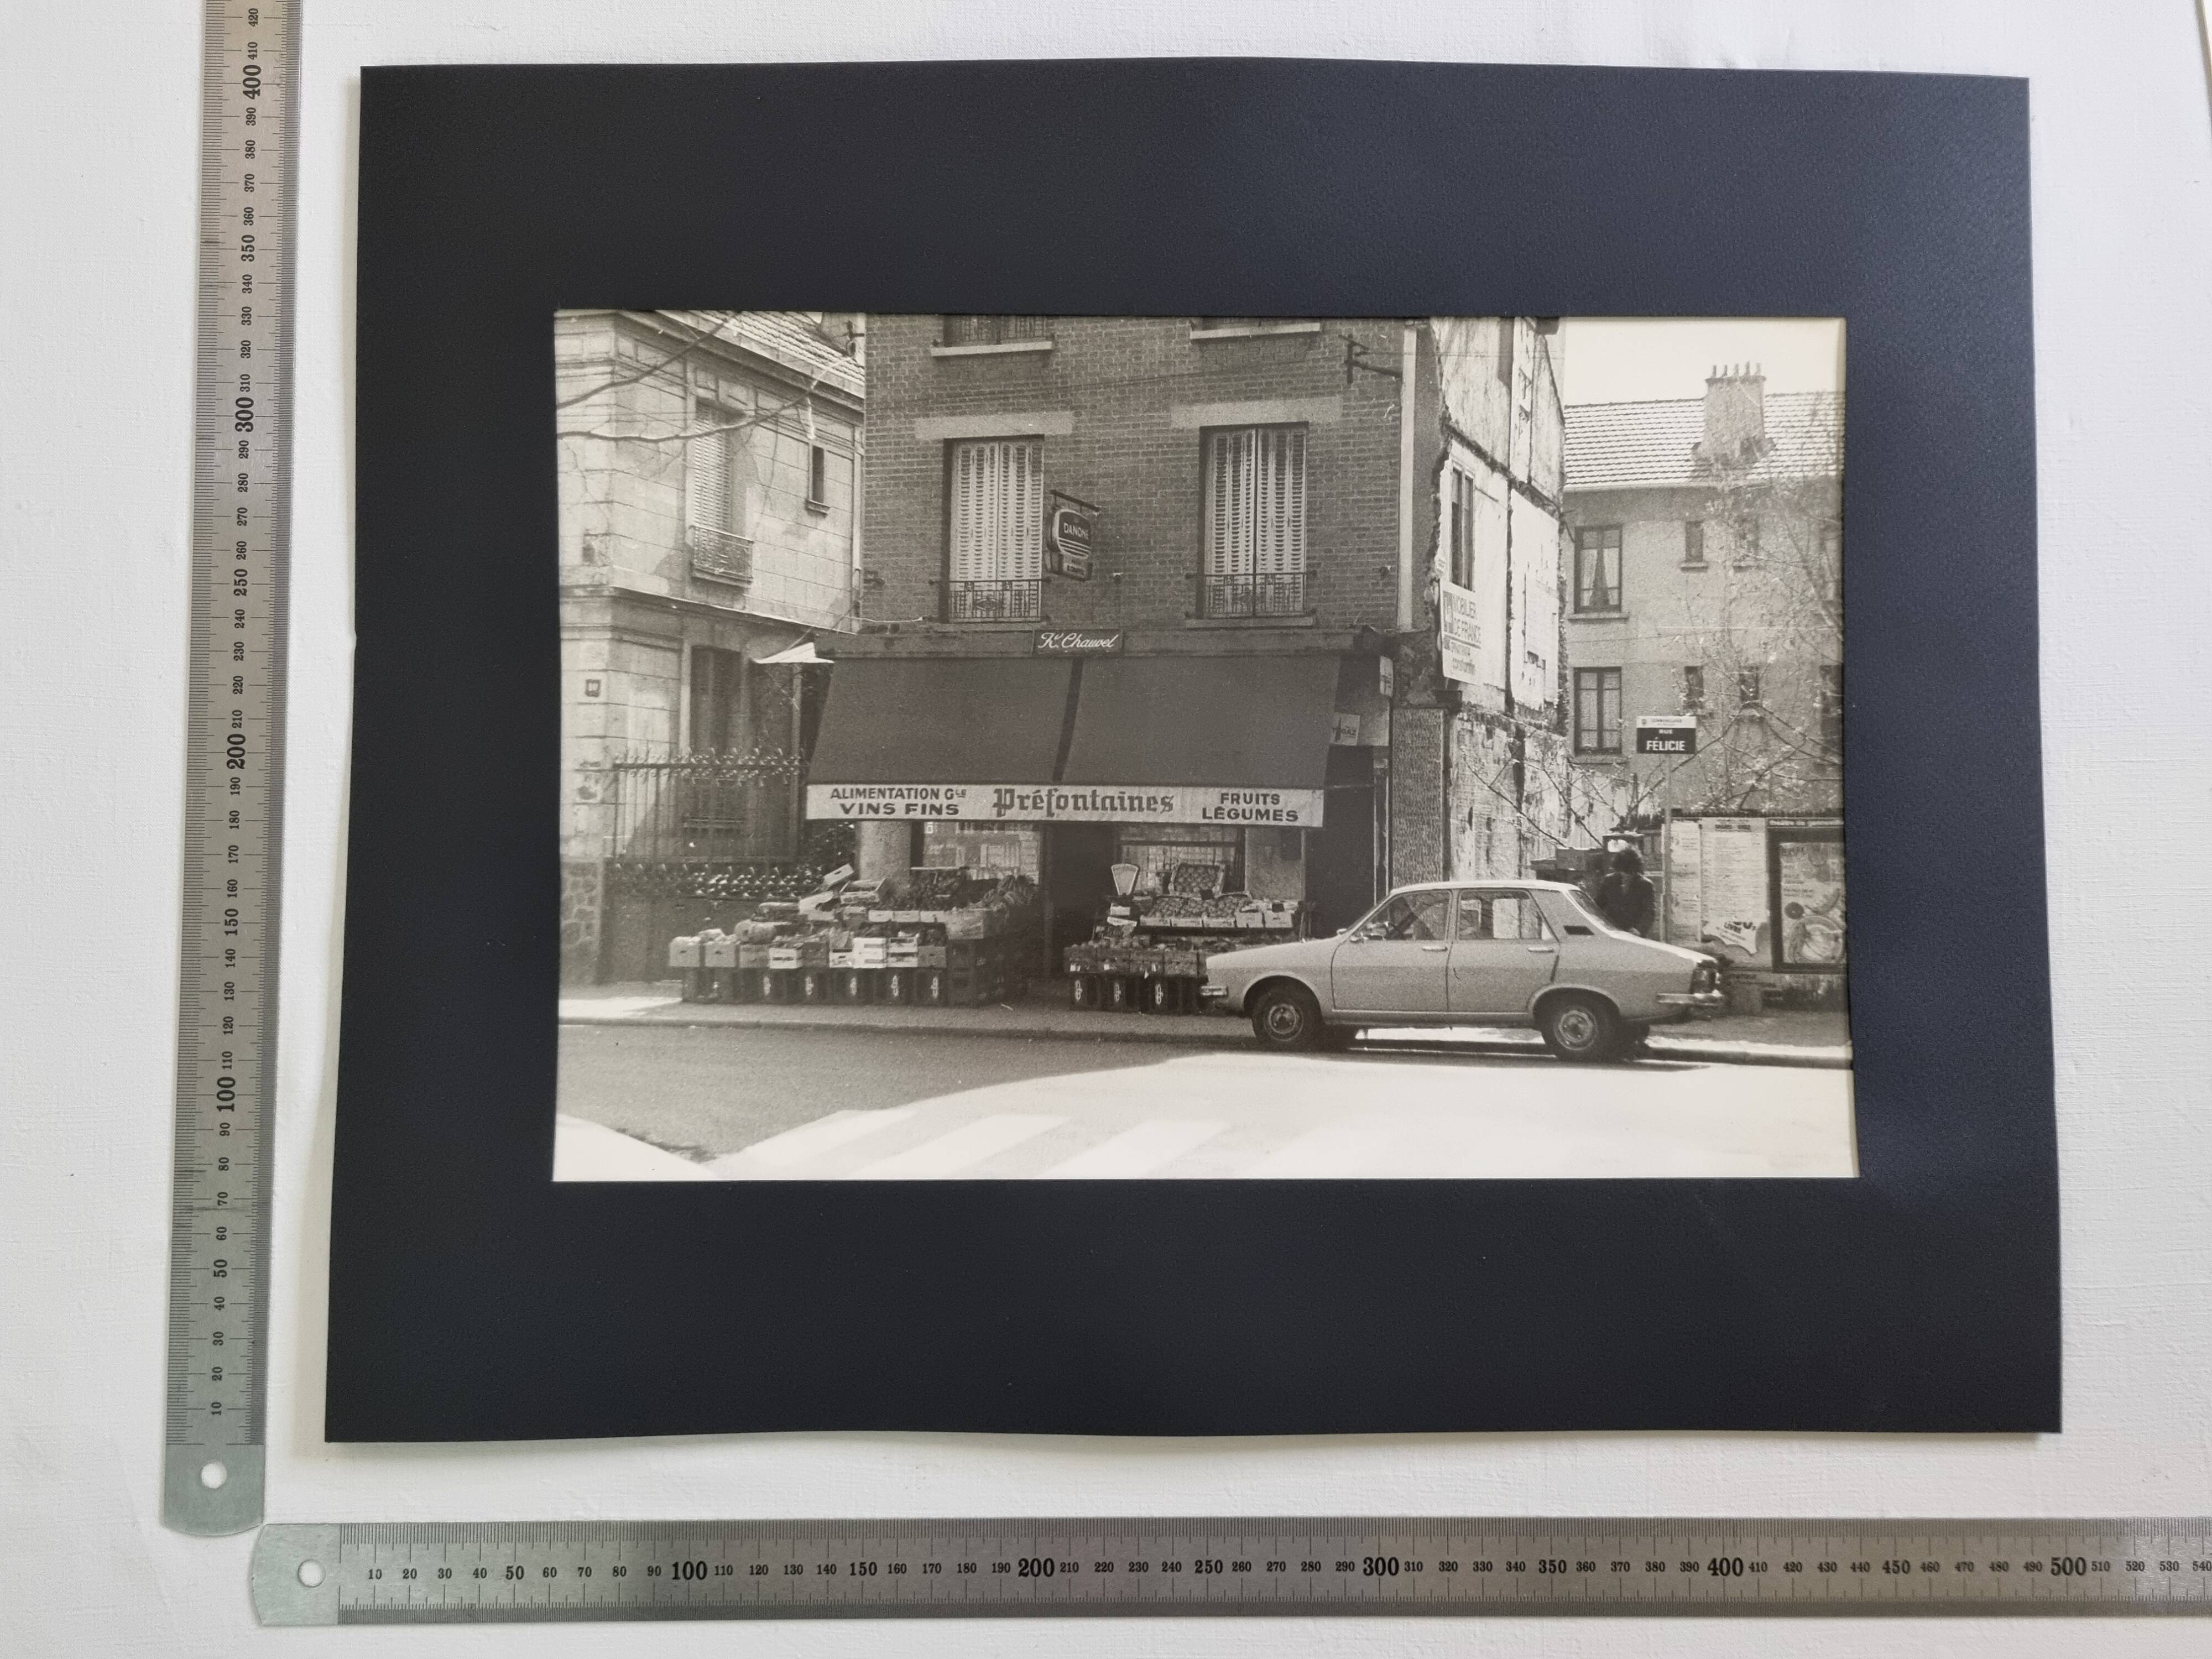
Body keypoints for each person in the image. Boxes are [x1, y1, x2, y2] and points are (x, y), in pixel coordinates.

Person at [1596, 846, 1657, 937]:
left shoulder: (1646, 885)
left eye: (1629, 873)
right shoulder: (1609, 881)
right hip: (1611, 932)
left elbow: (1649, 912)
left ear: (1635, 870)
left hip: (1634, 934)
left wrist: (1639, 930)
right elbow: (1598, 906)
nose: (1625, 876)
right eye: (1622, 872)